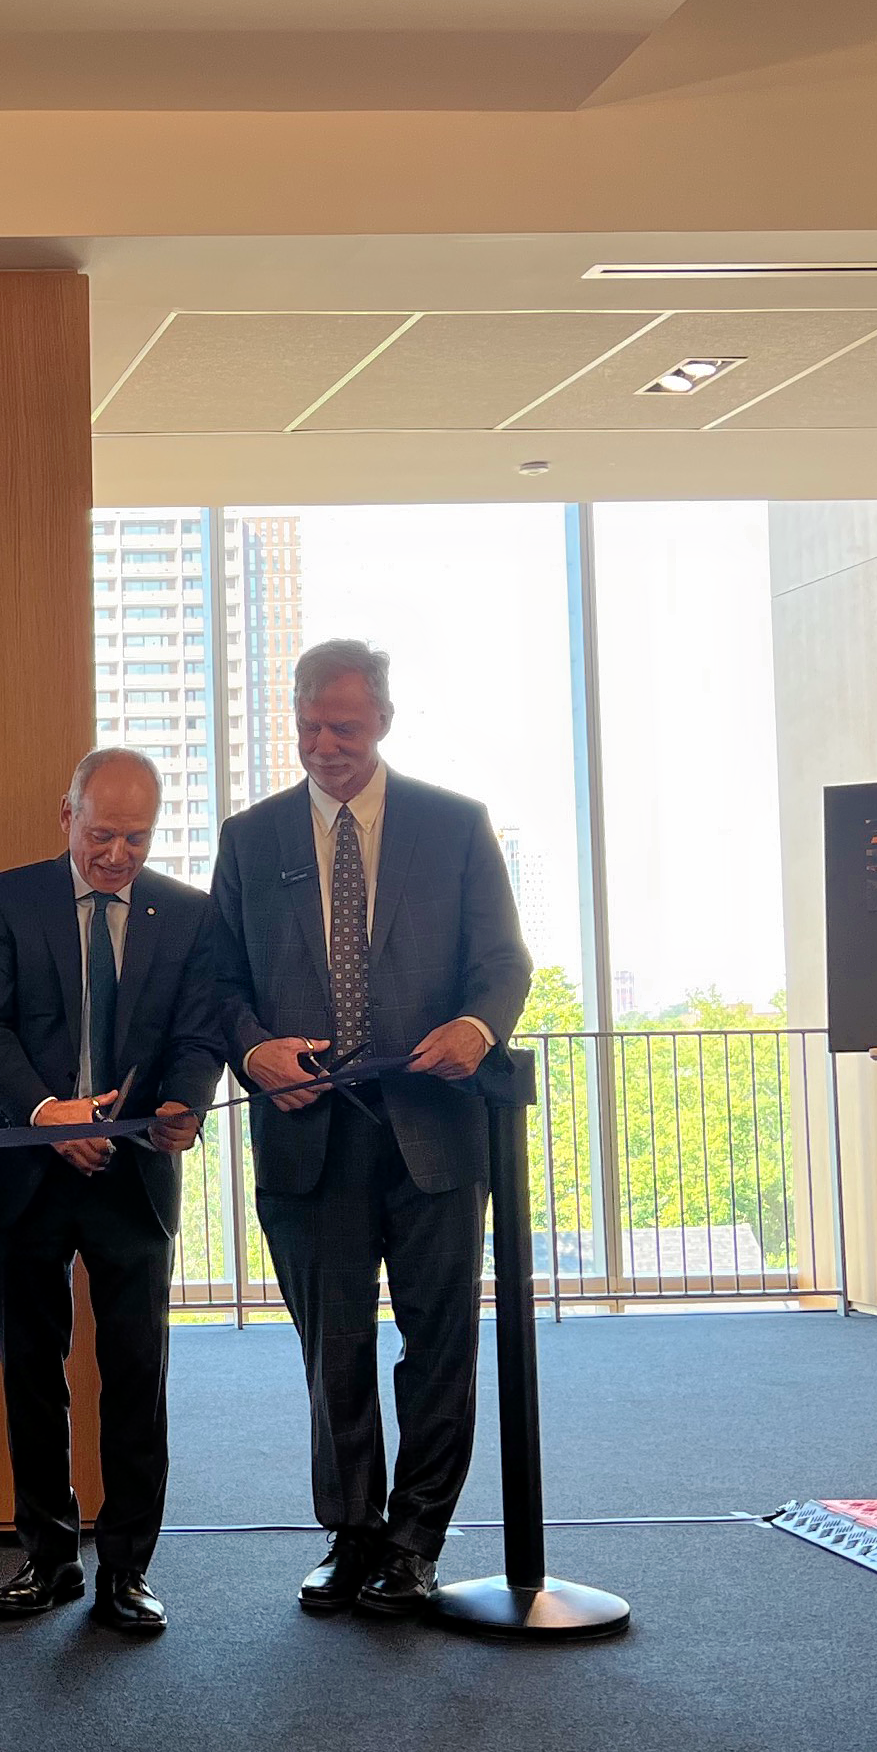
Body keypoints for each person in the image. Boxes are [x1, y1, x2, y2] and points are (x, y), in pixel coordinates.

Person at [204, 637, 531, 1619]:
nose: (324, 744)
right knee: (331, 1350)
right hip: (307, 1143)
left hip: (434, 1135)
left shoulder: (455, 825)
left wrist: (476, 1033)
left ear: (383, 719)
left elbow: (503, 964)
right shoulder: (250, 840)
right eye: (309, 725)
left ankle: (416, 1542)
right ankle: (350, 1538)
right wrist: (253, 1051)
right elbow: (215, 985)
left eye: (343, 725)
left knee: (438, 1345)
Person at [0, 748, 218, 1638]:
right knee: (33, 1372)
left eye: (135, 839)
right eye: (101, 834)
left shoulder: (185, 914)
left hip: (133, 1174)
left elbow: (196, 1032)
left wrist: (185, 1103)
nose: (116, 855)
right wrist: (46, 1113)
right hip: (28, 1170)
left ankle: (129, 1569)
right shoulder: (8, 898)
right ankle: (49, 1556)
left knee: (136, 1376)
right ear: (64, 816)